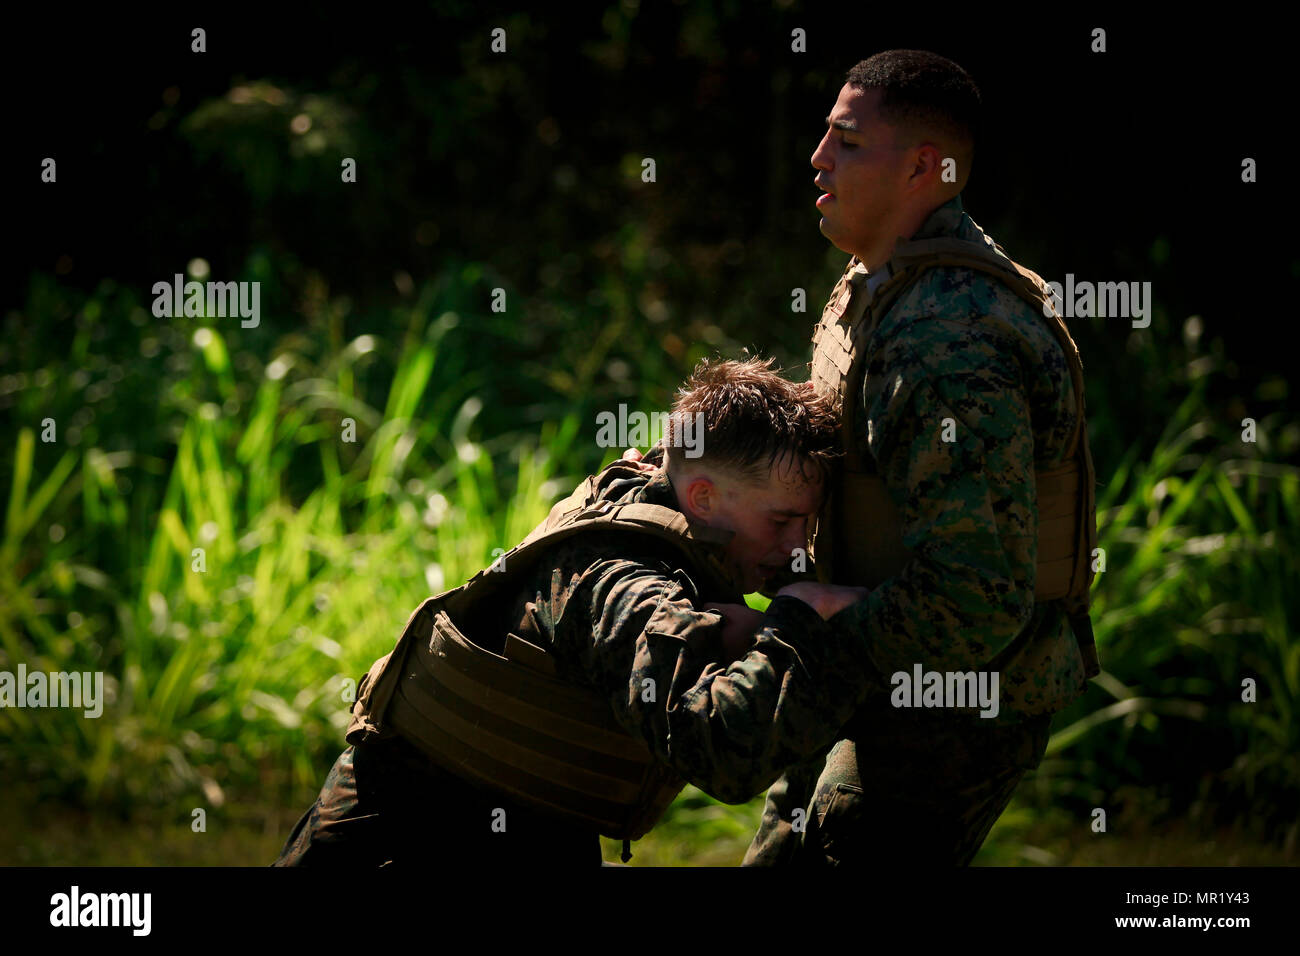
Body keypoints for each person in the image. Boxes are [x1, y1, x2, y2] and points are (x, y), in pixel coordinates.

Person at [273, 357, 880, 867]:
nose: (798, 546)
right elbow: (721, 750)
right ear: (703, 497)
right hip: (406, 841)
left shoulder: (650, 490)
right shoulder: (617, 580)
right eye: (782, 522)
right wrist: (797, 620)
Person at [741, 50, 1101, 866]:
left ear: (923, 169)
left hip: (943, 708)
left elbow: (976, 594)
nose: (817, 158)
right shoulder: (883, 280)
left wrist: (818, 632)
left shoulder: (947, 333)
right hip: (876, 678)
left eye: (848, 142)